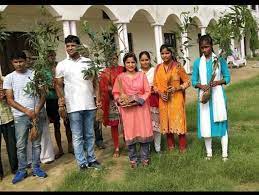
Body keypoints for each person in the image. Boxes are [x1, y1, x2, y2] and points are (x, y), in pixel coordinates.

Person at [55, 35, 101, 170]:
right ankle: (81, 162)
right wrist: (62, 99)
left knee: (89, 134)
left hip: (89, 104)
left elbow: (96, 82)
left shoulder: (88, 62)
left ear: (79, 46)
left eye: (73, 45)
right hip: (73, 106)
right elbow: (57, 84)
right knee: (77, 135)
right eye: (68, 46)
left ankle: (91, 159)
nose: (70, 48)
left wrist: (98, 100)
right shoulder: (62, 65)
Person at [3, 50, 47, 184]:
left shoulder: (35, 75)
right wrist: (26, 111)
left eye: (21, 61)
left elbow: (43, 95)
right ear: (12, 63)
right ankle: (22, 170)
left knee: (36, 143)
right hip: (20, 116)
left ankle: (36, 167)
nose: (18, 64)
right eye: (15, 62)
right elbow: (10, 100)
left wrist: (36, 110)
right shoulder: (9, 78)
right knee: (21, 145)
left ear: (26, 61)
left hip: (35, 114)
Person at [191, 35, 230, 161]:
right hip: (205, 97)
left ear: (211, 46)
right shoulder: (198, 62)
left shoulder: (219, 60)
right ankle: (209, 153)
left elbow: (228, 77)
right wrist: (201, 85)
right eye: (202, 47)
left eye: (206, 47)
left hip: (218, 96)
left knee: (221, 123)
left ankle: (224, 154)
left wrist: (217, 82)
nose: (204, 50)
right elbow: (193, 81)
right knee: (206, 123)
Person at [112, 52, 153, 168]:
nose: (130, 65)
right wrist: (120, 100)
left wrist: (139, 100)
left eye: (133, 62)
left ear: (136, 63)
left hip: (141, 108)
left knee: (143, 132)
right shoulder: (120, 77)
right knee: (131, 133)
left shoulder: (142, 75)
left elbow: (147, 91)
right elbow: (116, 93)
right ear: (124, 64)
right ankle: (133, 160)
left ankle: (145, 158)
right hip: (128, 111)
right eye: (128, 62)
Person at [153, 44, 190, 153]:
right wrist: (159, 93)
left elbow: (188, 82)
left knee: (179, 121)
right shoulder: (158, 68)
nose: (165, 55)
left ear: (171, 53)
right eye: (162, 53)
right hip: (163, 100)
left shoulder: (177, 66)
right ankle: (171, 147)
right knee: (166, 122)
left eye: (167, 53)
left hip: (176, 99)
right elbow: (155, 85)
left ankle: (182, 148)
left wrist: (177, 88)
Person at [46, 50, 73, 159]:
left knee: (67, 123)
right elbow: (46, 85)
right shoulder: (44, 70)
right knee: (56, 125)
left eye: (53, 55)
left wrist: (57, 83)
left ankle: (70, 147)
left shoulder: (60, 66)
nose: (51, 57)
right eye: (49, 55)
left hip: (62, 98)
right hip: (51, 100)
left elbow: (64, 82)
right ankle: (60, 149)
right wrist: (55, 84)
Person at [99, 54, 124, 157]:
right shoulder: (105, 72)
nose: (112, 60)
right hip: (111, 102)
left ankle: (128, 142)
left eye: (114, 58)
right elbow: (102, 87)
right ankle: (117, 147)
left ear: (117, 59)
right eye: (110, 58)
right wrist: (111, 90)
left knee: (125, 123)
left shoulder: (122, 69)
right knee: (114, 125)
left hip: (123, 99)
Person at [139, 51, 161, 154]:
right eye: (142, 60)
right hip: (142, 103)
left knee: (156, 126)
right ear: (139, 61)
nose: (145, 62)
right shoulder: (138, 72)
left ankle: (158, 148)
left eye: (146, 60)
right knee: (145, 126)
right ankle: (146, 149)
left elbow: (158, 84)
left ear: (150, 60)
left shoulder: (154, 70)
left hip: (153, 101)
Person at [0, 76, 18, 181]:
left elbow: (13, 96)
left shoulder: (5, 80)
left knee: (11, 145)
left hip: (8, 118)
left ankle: (15, 168)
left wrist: (5, 96)